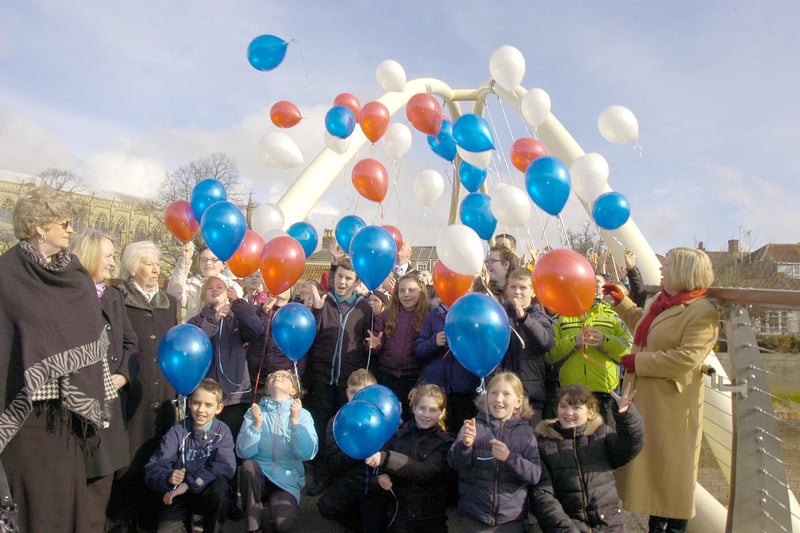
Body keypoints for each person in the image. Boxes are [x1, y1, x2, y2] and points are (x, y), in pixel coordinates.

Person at [0, 186, 110, 532]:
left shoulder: (75, 276)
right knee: (32, 510)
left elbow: (91, 335)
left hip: (67, 418)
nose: (71, 229)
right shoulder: (7, 274)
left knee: (65, 508)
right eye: (64, 222)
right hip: (25, 415)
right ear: (39, 227)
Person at [603, 247, 719, 533]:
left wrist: (638, 362)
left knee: (673, 478)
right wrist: (622, 303)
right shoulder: (663, 303)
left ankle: (673, 528)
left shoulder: (701, 311)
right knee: (656, 475)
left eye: (667, 267)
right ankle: (657, 527)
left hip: (672, 405)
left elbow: (687, 358)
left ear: (682, 272)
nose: (662, 271)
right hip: (650, 400)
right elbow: (645, 327)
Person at [71, 229, 139, 531]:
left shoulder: (113, 296)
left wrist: (122, 376)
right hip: (78, 408)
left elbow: (129, 343)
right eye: (109, 256)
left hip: (111, 405)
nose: (113, 263)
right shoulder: (67, 296)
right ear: (89, 256)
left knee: (104, 483)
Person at [110, 240, 179, 530]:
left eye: (156, 263)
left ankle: (154, 517)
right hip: (131, 393)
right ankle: (124, 518)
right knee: (128, 461)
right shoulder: (117, 300)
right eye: (148, 264)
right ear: (132, 268)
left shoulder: (170, 303)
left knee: (159, 456)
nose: (155, 269)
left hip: (162, 393)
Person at [530, 383, 645, 533]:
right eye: (563, 406)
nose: (568, 412)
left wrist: (626, 415)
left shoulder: (602, 435)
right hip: (569, 527)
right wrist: (567, 529)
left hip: (608, 526)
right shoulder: (544, 444)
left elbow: (632, 445)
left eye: (576, 407)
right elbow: (543, 495)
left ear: (590, 412)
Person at [305, 257, 373, 495]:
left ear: (356, 282)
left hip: (348, 380)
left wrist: (374, 345)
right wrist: (315, 310)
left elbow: (369, 344)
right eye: (339, 277)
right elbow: (309, 338)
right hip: (321, 377)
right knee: (322, 426)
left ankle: (342, 478)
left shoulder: (365, 308)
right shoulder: (324, 302)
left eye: (348, 278)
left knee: (345, 428)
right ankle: (320, 476)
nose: (341, 282)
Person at [448, 371, 542, 531]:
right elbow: (454, 463)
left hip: (511, 519)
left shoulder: (526, 433)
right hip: (475, 516)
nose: (498, 399)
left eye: (506, 394)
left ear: (518, 401)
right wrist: (465, 445)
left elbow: (534, 475)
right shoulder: (473, 426)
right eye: (493, 393)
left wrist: (509, 458)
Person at [144, 378, 235, 533]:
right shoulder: (177, 431)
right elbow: (153, 468)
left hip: (206, 491)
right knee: (166, 530)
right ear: (190, 402)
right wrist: (168, 476)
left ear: (218, 408)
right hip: (179, 495)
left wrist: (189, 484)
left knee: (221, 490)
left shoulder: (222, 432)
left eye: (208, 405)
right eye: (196, 403)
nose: (200, 410)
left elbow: (225, 467)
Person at [364, 383, 455, 533]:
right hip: (400, 516)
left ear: (442, 413)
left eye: (433, 410)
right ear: (413, 408)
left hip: (431, 518)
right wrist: (381, 480)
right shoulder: (398, 436)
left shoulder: (445, 443)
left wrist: (386, 459)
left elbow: (424, 472)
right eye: (422, 408)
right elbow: (374, 477)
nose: (426, 415)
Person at [237, 370, 318, 532]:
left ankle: (274, 514)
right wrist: (257, 425)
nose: (277, 376)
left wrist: (295, 422)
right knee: (248, 466)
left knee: (284, 525)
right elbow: (242, 452)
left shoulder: (302, 415)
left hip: (285, 480)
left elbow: (308, 453)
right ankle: (253, 526)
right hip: (259, 476)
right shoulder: (255, 412)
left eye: (285, 376)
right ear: (267, 389)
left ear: (293, 391)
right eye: (272, 376)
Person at [546, 274, 632, 428]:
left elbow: (629, 351)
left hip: (605, 393)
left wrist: (605, 342)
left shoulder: (613, 315)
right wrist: (574, 342)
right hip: (570, 394)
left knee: (604, 444)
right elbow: (549, 355)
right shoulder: (560, 317)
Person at [187, 275, 265, 442]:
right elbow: (194, 344)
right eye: (210, 288)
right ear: (203, 295)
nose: (215, 290)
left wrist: (237, 303)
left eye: (220, 287)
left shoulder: (236, 318)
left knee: (231, 440)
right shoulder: (196, 321)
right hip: (207, 394)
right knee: (205, 440)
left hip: (235, 393)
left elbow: (256, 329)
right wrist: (213, 321)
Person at [317, 368, 378, 531]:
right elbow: (333, 464)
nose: (358, 398)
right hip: (351, 477)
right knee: (326, 506)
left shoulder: (384, 418)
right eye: (354, 392)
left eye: (365, 393)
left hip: (378, 480)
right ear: (347, 393)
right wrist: (355, 448)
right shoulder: (336, 422)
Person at [414, 298, 480, 435]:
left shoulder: (475, 315)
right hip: (437, 390)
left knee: (460, 435)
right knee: (435, 433)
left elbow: (481, 351)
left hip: (465, 390)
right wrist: (434, 342)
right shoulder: (435, 315)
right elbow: (418, 350)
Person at [369, 273, 430, 421]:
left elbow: (429, 356)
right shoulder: (386, 316)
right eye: (402, 290)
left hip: (412, 379)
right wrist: (375, 346)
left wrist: (419, 384)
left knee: (409, 421)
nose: (406, 294)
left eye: (411, 290)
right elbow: (375, 346)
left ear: (421, 292)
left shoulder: (428, 317)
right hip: (387, 376)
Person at [498, 268, 555, 426]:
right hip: (502, 394)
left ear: (533, 292)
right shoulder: (498, 315)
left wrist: (523, 317)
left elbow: (545, 342)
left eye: (523, 288)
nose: (517, 292)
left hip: (530, 396)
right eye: (513, 287)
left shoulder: (540, 318)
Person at [167, 241, 242, 321]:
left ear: (223, 264)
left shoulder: (232, 286)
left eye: (214, 260)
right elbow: (174, 294)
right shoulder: (191, 283)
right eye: (204, 260)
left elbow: (239, 313)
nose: (208, 263)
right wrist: (184, 261)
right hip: (195, 329)